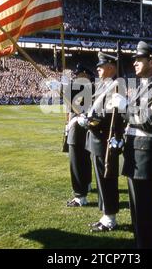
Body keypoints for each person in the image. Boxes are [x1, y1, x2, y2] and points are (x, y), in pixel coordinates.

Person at [119, 41, 152, 248]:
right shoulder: (142, 88)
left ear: (151, 61)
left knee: (147, 207)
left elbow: (150, 122)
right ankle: (141, 242)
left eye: (139, 59)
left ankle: (148, 244)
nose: (135, 63)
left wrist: (126, 109)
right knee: (137, 208)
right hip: (135, 152)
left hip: (146, 155)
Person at [78, 52, 123, 232]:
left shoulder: (115, 86)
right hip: (96, 139)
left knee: (107, 178)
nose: (97, 68)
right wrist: (87, 115)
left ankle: (110, 217)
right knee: (101, 178)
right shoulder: (104, 85)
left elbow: (110, 115)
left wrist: (89, 121)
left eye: (101, 66)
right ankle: (105, 215)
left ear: (111, 67)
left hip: (104, 138)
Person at [66, 64, 94, 207]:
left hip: (78, 128)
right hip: (78, 127)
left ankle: (79, 196)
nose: (75, 77)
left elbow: (76, 108)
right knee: (84, 159)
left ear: (85, 75)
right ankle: (87, 184)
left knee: (76, 161)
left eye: (78, 75)